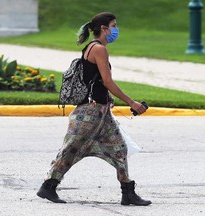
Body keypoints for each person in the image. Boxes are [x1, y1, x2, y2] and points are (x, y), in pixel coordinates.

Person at [37, 12, 151, 206]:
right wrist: (132, 103)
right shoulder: (98, 49)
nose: (116, 29)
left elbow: (97, 82)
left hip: (102, 111)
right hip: (89, 113)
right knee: (71, 149)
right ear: (104, 29)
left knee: (119, 149)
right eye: (114, 25)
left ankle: (127, 192)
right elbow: (107, 81)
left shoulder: (94, 48)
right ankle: (48, 186)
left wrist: (109, 99)